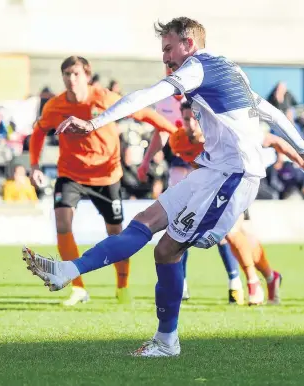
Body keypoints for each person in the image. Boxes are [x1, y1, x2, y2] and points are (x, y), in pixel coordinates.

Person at [22, 17, 304, 357]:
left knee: (167, 250)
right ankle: (68, 270)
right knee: (145, 220)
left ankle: (168, 340)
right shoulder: (230, 69)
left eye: (169, 49)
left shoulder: (197, 67)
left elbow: (149, 94)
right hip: (212, 169)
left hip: (233, 176)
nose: (166, 58)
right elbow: (272, 113)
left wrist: (95, 122)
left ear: (189, 44)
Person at [29, 56, 178, 306]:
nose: (70, 79)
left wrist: (176, 132)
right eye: (66, 74)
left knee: (115, 233)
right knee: (63, 224)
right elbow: (38, 132)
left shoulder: (104, 98)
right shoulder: (54, 106)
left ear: (87, 75)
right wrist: (34, 165)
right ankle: (77, 288)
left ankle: (122, 284)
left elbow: (143, 113)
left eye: (75, 74)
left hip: (106, 176)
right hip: (70, 174)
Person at [140, 101, 294, 305]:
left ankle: (252, 283)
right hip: (213, 189)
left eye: (195, 120)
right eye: (186, 120)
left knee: (231, 234)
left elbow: (274, 141)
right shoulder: (178, 141)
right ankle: (270, 276)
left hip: (237, 185)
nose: (191, 125)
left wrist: (300, 157)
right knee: (245, 239)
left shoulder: (225, 134)